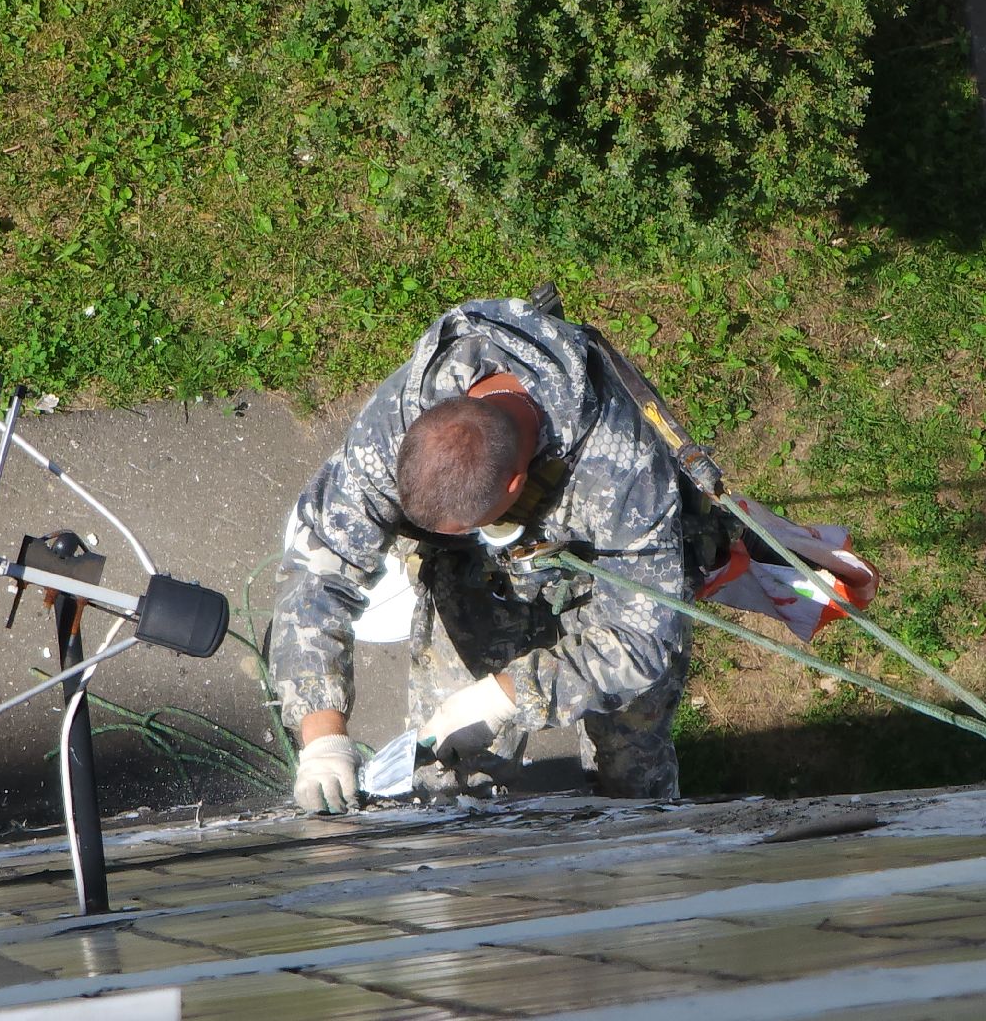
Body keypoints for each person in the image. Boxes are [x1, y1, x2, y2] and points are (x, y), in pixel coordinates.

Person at [270, 295, 696, 812]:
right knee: (441, 772)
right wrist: (323, 738)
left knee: (635, 772)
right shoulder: (398, 420)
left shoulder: (625, 465)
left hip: (606, 585)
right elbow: (319, 567)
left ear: (519, 483)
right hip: (478, 574)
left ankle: (639, 862)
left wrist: (506, 697)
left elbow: (643, 639)